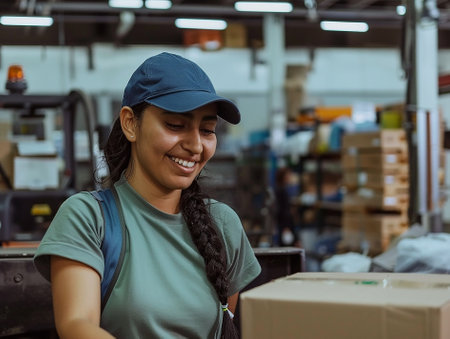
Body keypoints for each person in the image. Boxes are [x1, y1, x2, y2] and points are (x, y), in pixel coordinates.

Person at [34, 52, 261, 339]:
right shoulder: (89, 217)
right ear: (130, 123)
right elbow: (77, 325)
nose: (195, 145)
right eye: (176, 125)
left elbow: (225, 324)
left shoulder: (222, 223)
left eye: (207, 130)